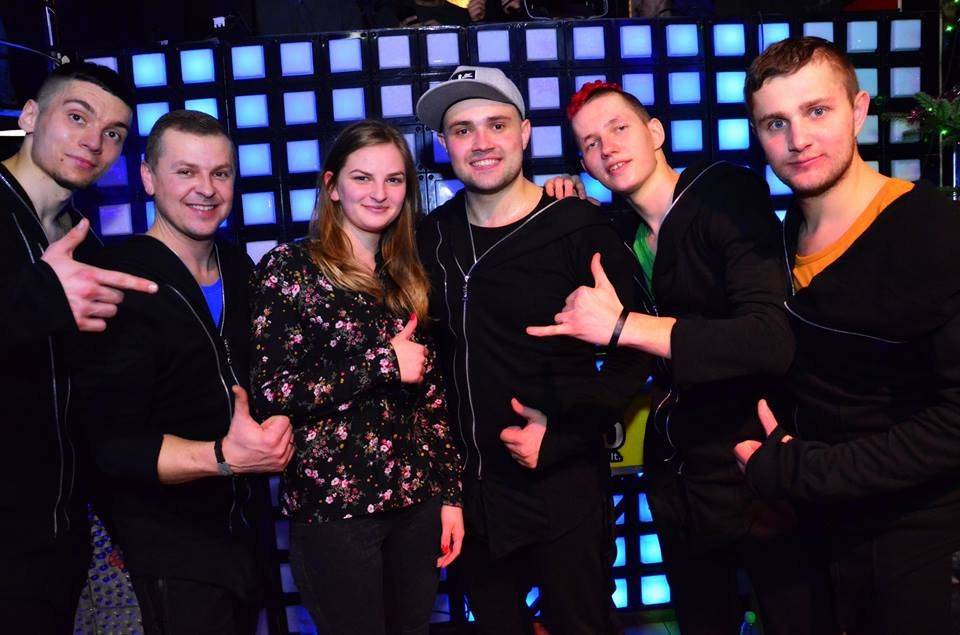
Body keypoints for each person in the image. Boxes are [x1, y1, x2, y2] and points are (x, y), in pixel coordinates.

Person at [533, 81, 815, 635]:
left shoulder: (722, 193)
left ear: (656, 132)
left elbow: (770, 338)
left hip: (756, 460)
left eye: (619, 128)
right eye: (590, 143)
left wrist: (625, 327)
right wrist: (563, 204)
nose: (608, 147)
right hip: (680, 476)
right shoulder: (620, 234)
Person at [734, 36, 960, 634]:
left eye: (817, 111)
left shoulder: (935, 232)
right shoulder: (780, 237)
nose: (798, 140)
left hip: (910, 539)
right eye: (775, 123)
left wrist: (804, 472)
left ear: (858, 110)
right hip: (810, 533)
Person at [414, 66, 647, 635]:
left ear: (524, 133)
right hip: (472, 499)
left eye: (496, 125)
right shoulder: (429, 238)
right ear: (444, 145)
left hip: (561, 488)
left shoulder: (577, 225)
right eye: (462, 130)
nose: (481, 142)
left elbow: (639, 350)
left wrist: (564, 434)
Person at [73, 110, 294, 635]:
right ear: (149, 178)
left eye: (220, 173)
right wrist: (223, 458)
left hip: (244, 540)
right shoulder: (117, 282)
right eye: (186, 172)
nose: (206, 189)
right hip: (167, 549)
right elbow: (111, 446)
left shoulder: (239, 269)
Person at [249, 119, 464, 635]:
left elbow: (433, 401)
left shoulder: (407, 274)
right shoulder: (290, 269)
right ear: (332, 186)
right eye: (362, 178)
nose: (379, 193)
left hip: (416, 505)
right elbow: (272, 391)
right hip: (336, 515)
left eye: (394, 179)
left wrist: (450, 496)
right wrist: (382, 362)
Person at [0, 61, 158, 634]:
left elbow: (84, 402)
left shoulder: (82, 244)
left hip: (54, 540)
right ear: (29, 116)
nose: (94, 141)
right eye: (77, 117)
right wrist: (38, 298)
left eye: (113, 132)